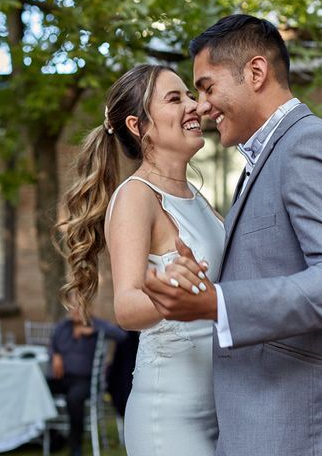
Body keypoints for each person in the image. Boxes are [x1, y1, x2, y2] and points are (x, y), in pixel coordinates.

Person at [142, 14, 322, 455]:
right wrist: (204, 286)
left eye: (208, 87)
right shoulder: (267, 155)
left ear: (255, 72)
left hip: (316, 423)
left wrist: (217, 304)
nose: (201, 106)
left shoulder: (309, 146)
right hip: (282, 418)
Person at [55, 64, 224, 455]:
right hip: (169, 417)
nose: (194, 106)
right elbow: (127, 308)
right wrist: (171, 292)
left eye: (190, 95)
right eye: (175, 98)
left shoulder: (200, 201)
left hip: (220, 409)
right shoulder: (137, 197)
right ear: (138, 125)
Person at [48, 299, 127, 456]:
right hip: (62, 377)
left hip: (86, 380)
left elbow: (121, 335)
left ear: (87, 309)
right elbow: (52, 345)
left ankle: (75, 445)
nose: (75, 311)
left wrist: (93, 329)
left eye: (79, 308)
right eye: (72, 308)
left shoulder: (96, 324)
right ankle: (49, 436)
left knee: (74, 399)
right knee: (38, 387)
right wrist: (54, 355)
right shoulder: (63, 327)